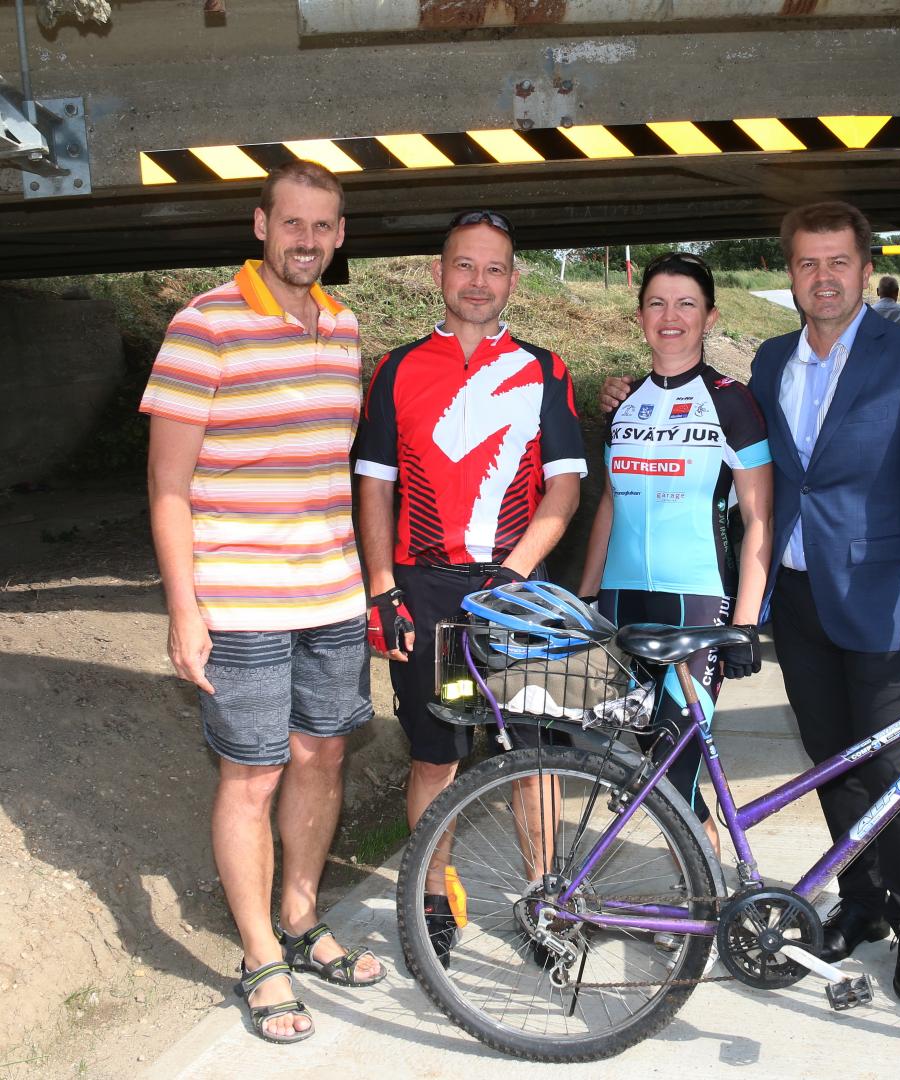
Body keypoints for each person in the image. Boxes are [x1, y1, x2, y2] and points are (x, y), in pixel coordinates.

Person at [601, 203, 900, 1005]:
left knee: (896, 773)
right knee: (832, 760)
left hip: (884, 598)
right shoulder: (770, 361)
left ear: (865, 270)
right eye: (807, 263)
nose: (823, 278)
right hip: (798, 600)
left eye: (838, 262)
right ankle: (862, 902)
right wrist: (632, 395)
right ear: (790, 274)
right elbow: (719, 428)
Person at [141, 161, 383, 1045]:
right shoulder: (203, 325)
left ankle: (300, 918)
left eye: (322, 226)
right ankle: (258, 957)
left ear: (340, 235)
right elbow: (168, 486)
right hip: (239, 601)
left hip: (332, 593)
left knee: (322, 756)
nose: (306, 241)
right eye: (292, 223)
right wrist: (184, 609)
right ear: (260, 225)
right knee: (252, 775)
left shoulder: (343, 326)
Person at [353, 208, 587, 968]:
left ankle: (546, 902)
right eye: (464, 265)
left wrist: (514, 576)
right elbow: (375, 486)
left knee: (535, 757)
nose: (478, 281)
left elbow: (564, 490)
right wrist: (382, 589)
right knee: (434, 757)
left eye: (493, 268)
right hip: (423, 592)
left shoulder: (545, 370)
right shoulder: (396, 368)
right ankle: (431, 898)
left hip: (515, 590)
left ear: (513, 279)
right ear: (439, 273)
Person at [578, 252, 773, 858]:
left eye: (686, 303)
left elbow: (759, 518)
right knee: (656, 761)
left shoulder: (732, 402)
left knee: (674, 760)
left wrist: (746, 624)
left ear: (710, 318)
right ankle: (708, 881)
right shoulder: (622, 402)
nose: (671, 316)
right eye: (657, 303)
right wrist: (586, 597)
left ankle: (704, 890)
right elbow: (610, 503)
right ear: (640, 316)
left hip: (698, 602)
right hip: (620, 600)